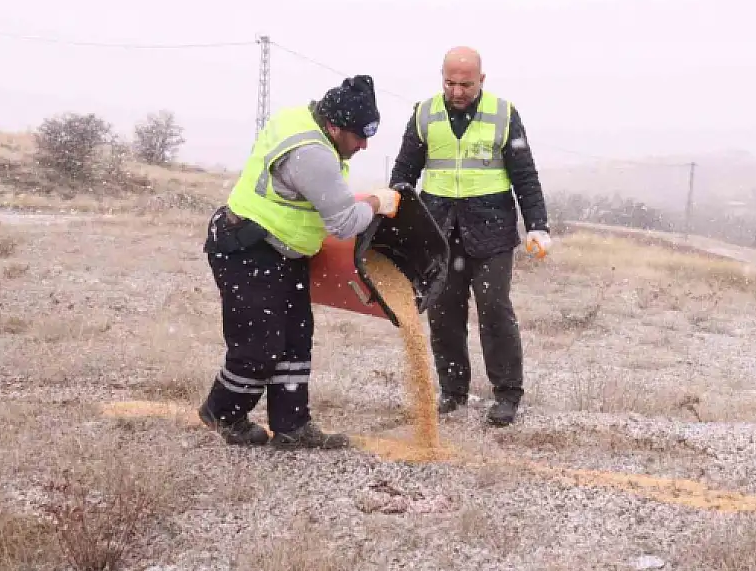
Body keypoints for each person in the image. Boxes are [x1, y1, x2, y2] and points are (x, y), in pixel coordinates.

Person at [198, 75, 401, 449]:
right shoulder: (312, 153)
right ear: (335, 126)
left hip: (281, 250)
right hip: (246, 246)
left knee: (294, 339)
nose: (364, 144)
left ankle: (292, 425)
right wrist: (376, 203)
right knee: (258, 345)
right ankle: (223, 412)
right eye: (358, 136)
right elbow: (343, 223)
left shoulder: (307, 124)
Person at [389, 46, 551, 427]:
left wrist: (538, 225)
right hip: (439, 229)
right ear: (441, 77)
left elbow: (525, 175)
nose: (457, 91)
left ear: (481, 79)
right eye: (450, 83)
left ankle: (507, 394)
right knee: (444, 312)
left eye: (465, 84)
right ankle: (453, 391)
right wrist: (395, 222)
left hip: (491, 230)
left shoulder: (503, 114)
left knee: (494, 309)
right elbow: (404, 173)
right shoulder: (424, 114)